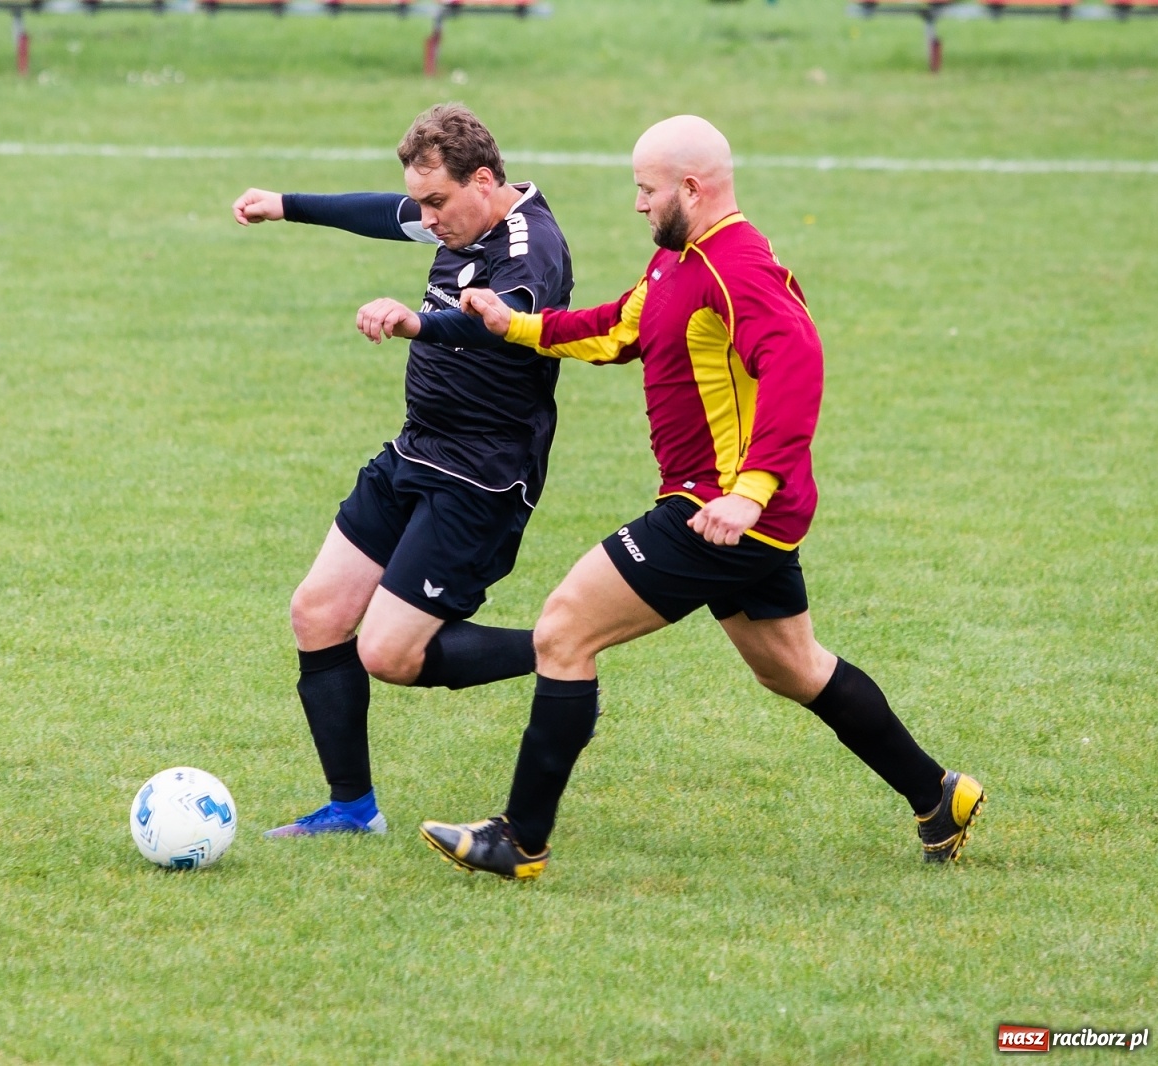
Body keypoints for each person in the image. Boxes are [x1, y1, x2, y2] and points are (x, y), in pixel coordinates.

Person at [419, 115, 984, 879]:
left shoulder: (737, 267)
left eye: (646, 190)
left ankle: (520, 839)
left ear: (691, 187)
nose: (638, 204)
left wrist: (749, 493)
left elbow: (797, 363)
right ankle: (939, 795)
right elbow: (617, 330)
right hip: (735, 516)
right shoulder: (677, 261)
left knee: (563, 631)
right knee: (793, 668)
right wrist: (515, 324)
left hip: (718, 512)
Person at [231, 104, 575, 837]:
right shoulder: (455, 216)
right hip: (417, 449)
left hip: (481, 477)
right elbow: (382, 214)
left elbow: (502, 324)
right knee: (318, 613)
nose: (427, 219)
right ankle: (352, 810)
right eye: (422, 202)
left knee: (387, 652)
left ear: (483, 181)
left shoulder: (530, 245)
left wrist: (415, 321)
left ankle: (564, 648)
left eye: (437, 202)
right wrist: (284, 205)